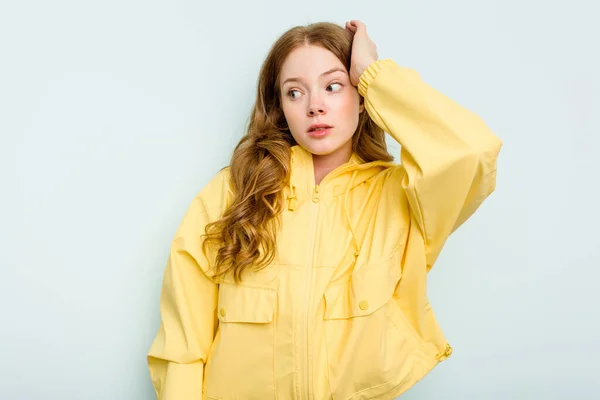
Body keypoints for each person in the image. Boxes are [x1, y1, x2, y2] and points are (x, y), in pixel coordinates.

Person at [147, 20, 503, 400]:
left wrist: (374, 76)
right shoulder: (234, 191)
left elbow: (471, 151)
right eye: (295, 93)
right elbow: (183, 342)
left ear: (361, 97)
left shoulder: (401, 197)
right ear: (280, 108)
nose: (315, 105)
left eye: (334, 86)